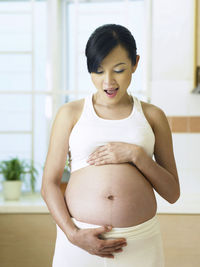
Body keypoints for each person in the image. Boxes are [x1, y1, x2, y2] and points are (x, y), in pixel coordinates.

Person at [41, 24, 180, 267]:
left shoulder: (153, 116)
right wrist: (73, 235)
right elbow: (49, 184)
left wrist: (138, 156)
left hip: (139, 242)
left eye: (118, 70)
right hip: (80, 241)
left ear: (135, 63)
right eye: (98, 71)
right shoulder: (70, 113)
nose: (108, 82)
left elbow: (172, 193)